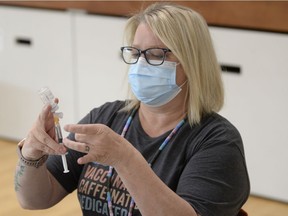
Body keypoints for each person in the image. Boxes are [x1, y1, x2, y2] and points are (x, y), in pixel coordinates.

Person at [14, 2, 250, 216]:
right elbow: (34, 200)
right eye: (136, 53)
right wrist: (31, 155)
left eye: (156, 54)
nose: (141, 64)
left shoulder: (217, 141)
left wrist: (124, 159)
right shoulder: (106, 118)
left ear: (193, 63)